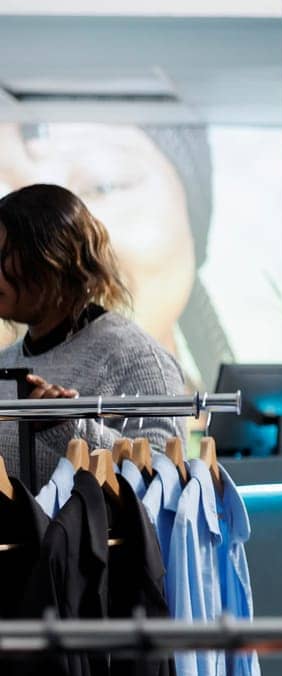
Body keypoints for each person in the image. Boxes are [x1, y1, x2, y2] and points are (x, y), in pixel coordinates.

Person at [0, 122, 234, 388]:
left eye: (104, 186)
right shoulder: (8, 365)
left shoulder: (140, 362)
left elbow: (158, 433)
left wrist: (65, 425)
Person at [0, 183, 186, 483]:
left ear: (52, 257)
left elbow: (163, 478)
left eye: (4, 255)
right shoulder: (6, 362)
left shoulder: (139, 360)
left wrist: (70, 430)